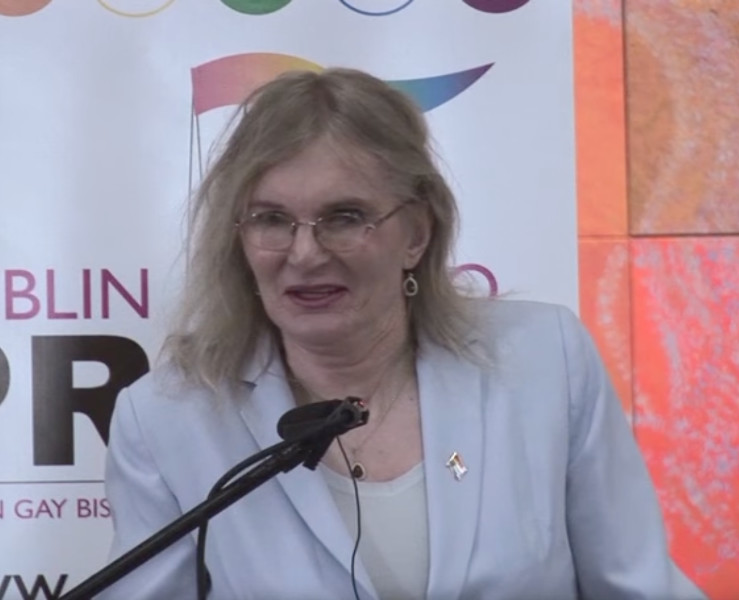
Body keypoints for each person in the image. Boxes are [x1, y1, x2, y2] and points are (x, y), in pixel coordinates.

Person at [98, 68, 705, 600]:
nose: (305, 254)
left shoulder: (545, 359)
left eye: (345, 217)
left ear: (415, 233)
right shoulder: (167, 417)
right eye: (272, 219)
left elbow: (639, 584)